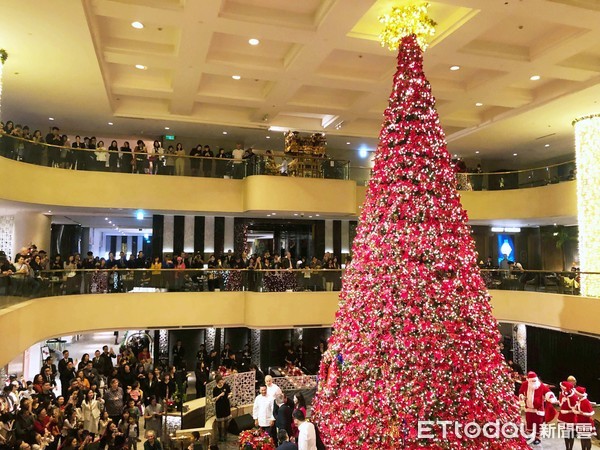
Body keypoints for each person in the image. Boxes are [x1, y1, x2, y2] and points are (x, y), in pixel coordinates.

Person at [518, 371, 558, 446]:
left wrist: (551, 398)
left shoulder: (541, 385)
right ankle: (530, 436)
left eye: (534, 380)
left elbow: (548, 392)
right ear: (529, 380)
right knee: (529, 422)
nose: (533, 382)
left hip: (538, 409)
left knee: (538, 423)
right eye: (532, 381)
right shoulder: (525, 385)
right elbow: (520, 392)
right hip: (529, 408)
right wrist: (522, 396)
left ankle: (537, 438)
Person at [557, 381, 577, 450]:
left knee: (571, 434)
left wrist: (569, 411)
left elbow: (575, 407)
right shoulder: (562, 394)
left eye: (562, 387)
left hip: (571, 417)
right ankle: (567, 448)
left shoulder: (573, 396)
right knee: (565, 434)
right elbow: (560, 404)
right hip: (563, 417)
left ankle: (570, 448)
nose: (560, 387)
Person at [212, 376, 232, 442]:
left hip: (226, 404)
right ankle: (220, 435)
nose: (221, 383)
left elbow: (230, 393)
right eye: (220, 382)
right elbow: (214, 399)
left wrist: (229, 396)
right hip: (219, 406)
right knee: (220, 422)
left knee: (226, 421)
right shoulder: (215, 389)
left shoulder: (226, 386)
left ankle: (225, 434)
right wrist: (220, 395)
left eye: (222, 382)